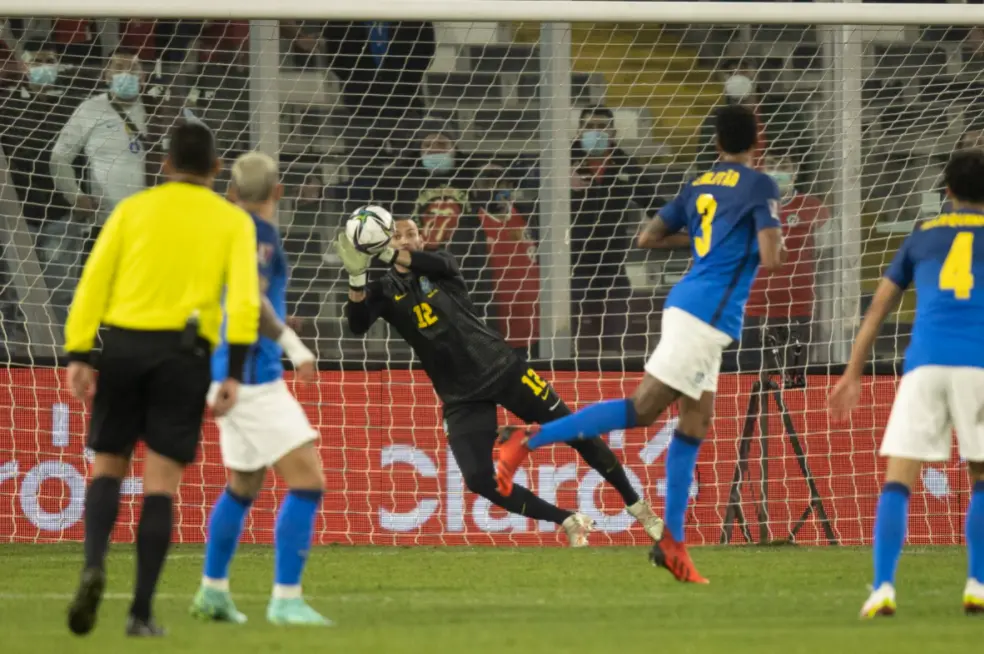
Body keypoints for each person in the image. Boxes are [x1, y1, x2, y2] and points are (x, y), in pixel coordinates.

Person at [495, 104, 785, 582]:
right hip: (705, 313)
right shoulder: (760, 185)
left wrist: (703, 242)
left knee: (694, 423)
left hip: (693, 307)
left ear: (716, 142)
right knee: (644, 409)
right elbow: (772, 257)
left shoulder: (698, 184)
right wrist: (751, 239)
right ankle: (528, 439)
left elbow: (648, 237)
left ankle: (672, 545)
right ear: (758, 141)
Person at [334, 212, 665, 547]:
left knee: (577, 433)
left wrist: (382, 251)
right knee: (478, 479)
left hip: (503, 369)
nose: (406, 240)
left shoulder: (441, 264)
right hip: (460, 395)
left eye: (411, 234)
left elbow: (433, 263)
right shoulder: (384, 290)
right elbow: (357, 324)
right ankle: (566, 519)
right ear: (385, 239)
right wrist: (356, 277)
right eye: (397, 236)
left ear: (422, 238)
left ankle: (637, 505)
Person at [64, 122, 261, 637]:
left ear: (166, 164)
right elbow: (243, 301)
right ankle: (140, 613)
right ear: (217, 169)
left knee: (107, 467)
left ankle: (93, 566)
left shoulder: (133, 210)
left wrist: (79, 352)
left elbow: (93, 281)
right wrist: (233, 373)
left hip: (124, 345)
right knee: (161, 485)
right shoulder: (232, 221)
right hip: (184, 355)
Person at [829, 149, 984, 619]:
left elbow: (877, 309)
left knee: (898, 479)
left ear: (947, 190)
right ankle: (977, 583)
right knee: (981, 477)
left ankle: (883, 587)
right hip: (978, 365)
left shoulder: (921, 235)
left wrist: (852, 373)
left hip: (925, 365)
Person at [190, 152, 330, 626]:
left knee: (244, 485)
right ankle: (286, 600)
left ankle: (212, 591)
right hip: (250, 375)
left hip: (225, 369)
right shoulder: (258, 234)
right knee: (308, 481)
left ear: (231, 192)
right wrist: (293, 347)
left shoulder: (223, 230)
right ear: (279, 191)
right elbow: (249, 301)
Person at [569, 106, 663, 352]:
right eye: (589, 126)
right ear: (579, 131)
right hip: (571, 268)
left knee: (614, 340)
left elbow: (653, 202)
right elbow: (537, 203)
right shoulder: (561, 162)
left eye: (601, 127)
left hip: (612, 266)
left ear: (613, 132)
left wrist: (683, 220)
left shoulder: (625, 163)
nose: (595, 131)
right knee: (565, 339)